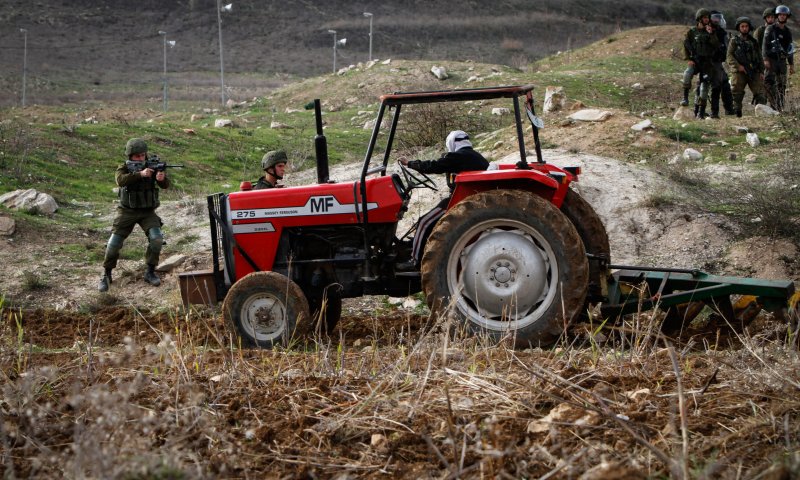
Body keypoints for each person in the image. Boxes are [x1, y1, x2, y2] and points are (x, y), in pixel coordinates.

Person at [398, 130, 489, 269]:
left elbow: (433, 166)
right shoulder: (477, 156)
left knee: (424, 222)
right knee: (426, 220)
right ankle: (414, 246)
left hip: (459, 200)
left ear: (451, 143)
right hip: (469, 197)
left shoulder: (458, 157)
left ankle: (414, 261)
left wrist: (410, 163)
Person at [98, 138, 170, 292]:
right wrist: (140, 174)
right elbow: (120, 181)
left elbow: (165, 185)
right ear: (130, 156)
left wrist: (161, 179)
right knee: (113, 244)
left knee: (157, 239)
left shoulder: (152, 166)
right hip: (127, 211)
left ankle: (150, 271)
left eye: (143, 155)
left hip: (147, 212)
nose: (141, 158)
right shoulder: (124, 168)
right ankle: (107, 274)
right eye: (137, 156)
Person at [682, 8, 720, 117]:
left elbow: (716, 45)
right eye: (704, 18)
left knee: (704, 87)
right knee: (687, 73)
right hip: (695, 61)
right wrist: (688, 59)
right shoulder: (692, 32)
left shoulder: (711, 31)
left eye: (708, 17)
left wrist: (711, 33)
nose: (707, 19)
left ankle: (701, 113)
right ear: (699, 19)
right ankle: (685, 98)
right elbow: (685, 45)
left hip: (707, 63)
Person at [727, 17, 767, 117]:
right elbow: (729, 56)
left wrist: (761, 71)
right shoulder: (734, 41)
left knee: (760, 93)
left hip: (754, 70)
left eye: (746, 26)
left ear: (749, 27)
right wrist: (738, 66)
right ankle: (737, 113)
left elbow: (759, 57)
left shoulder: (754, 41)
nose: (744, 28)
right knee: (736, 93)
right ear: (739, 28)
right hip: (739, 72)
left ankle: (760, 113)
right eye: (742, 26)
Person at [762, 5, 795, 112]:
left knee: (782, 85)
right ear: (777, 16)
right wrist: (765, 59)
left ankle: (779, 108)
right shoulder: (771, 28)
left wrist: (791, 64)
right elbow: (764, 44)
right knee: (769, 82)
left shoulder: (787, 31)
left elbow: (790, 49)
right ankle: (772, 106)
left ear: (787, 17)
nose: (782, 16)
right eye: (780, 14)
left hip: (782, 61)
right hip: (771, 60)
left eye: (784, 15)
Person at [708, 11, 735, 117]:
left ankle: (729, 110)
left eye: (718, 18)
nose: (717, 20)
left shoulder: (721, 32)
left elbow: (725, 49)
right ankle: (712, 112)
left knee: (725, 85)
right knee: (714, 87)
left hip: (718, 63)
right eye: (715, 18)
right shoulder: (706, 32)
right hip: (709, 63)